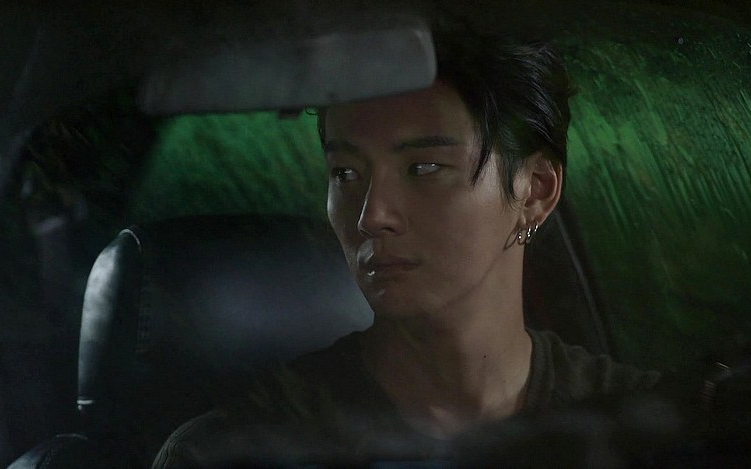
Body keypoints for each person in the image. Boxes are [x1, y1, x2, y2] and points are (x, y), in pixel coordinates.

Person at [153, 20, 659, 468]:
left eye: (424, 168)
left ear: (534, 191)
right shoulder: (236, 451)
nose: (372, 215)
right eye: (345, 173)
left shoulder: (651, 433)